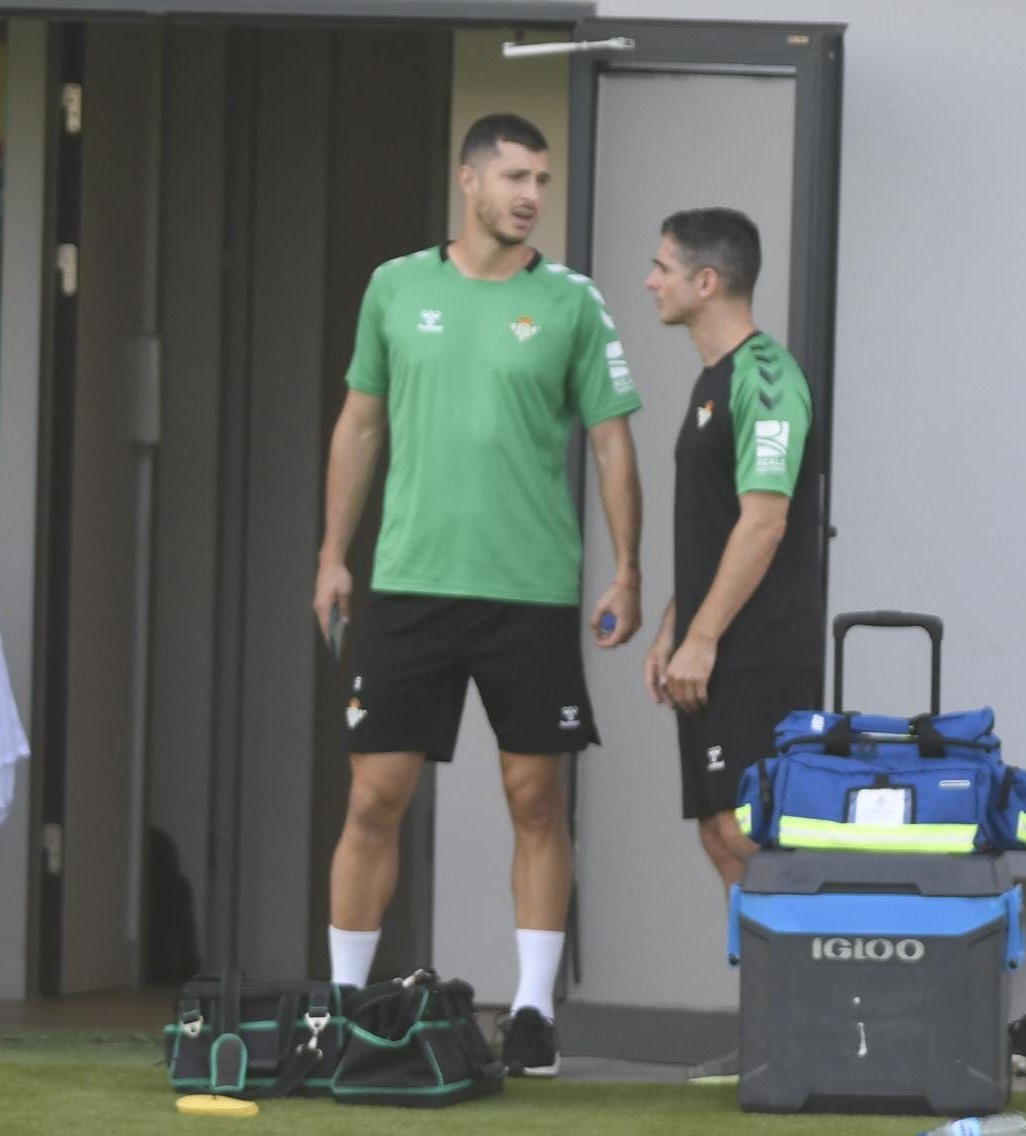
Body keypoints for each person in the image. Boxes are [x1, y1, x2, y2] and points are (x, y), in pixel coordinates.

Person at [312, 112, 643, 1079]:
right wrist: (333, 553)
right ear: (468, 183)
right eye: (513, 177)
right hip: (410, 585)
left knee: (535, 796)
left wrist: (627, 569)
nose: (531, 194)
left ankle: (534, 1012)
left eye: (541, 178)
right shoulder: (395, 285)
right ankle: (340, 1008)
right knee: (375, 796)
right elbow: (360, 426)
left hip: (529, 594)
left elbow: (613, 441)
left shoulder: (575, 302)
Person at [641, 207, 823, 1083]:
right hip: (713, 647)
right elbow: (716, 526)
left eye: (662, 267)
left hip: (758, 654)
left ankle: (812, 1033)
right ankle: (771, 1035)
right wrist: (675, 625)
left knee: (752, 835)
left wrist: (704, 637)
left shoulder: (767, 376)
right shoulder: (709, 380)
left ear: (706, 282)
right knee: (721, 833)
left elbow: (765, 521)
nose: (651, 281)